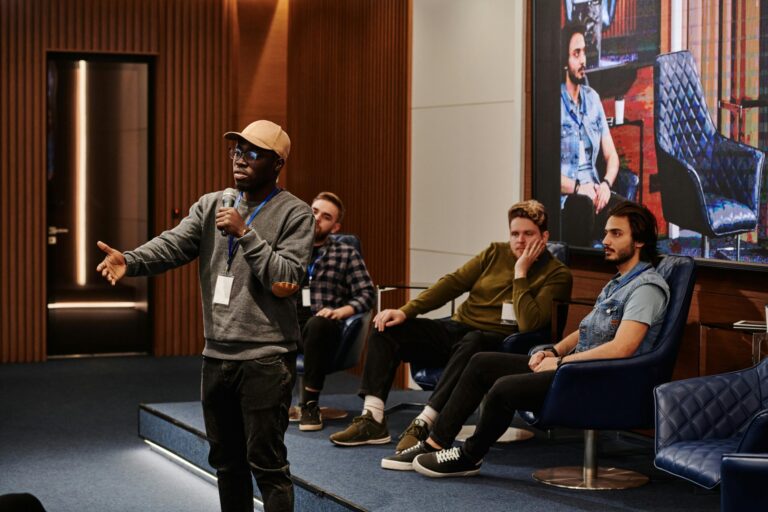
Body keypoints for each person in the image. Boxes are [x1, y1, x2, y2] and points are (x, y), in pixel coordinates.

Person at [95, 120, 314, 511]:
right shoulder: (213, 203)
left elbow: (287, 278)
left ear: (277, 163)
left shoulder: (295, 213)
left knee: (267, 465)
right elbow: (173, 244)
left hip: (265, 357)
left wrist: (246, 234)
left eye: (252, 153)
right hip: (216, 356)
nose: (240, 160)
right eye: (236, 151)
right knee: (226, 464)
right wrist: (130, 261)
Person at [385, 201, 669, 478]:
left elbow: (623, 348)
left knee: (504, 388)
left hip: (599, 377)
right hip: (575, 368)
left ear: (640, 241)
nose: (605, 240)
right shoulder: (618, 282)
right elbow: (585, 330)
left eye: (616, 234)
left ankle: (469, 456)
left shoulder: (647, 289)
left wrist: (560, 362)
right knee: (481, 362)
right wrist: (552, 350)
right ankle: (435, 443)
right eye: (606, 232)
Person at [329, 200, 573, 452]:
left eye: (528, 234)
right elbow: (453, 283)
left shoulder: (557, 274)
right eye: (514, 234)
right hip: (459, 328)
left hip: (500, 343)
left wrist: (520, 272)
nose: (520, 241)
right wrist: (404, 311)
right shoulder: (495, 252)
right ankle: (372, 418)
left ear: (544, 237)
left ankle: (425, 422)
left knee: (474, 342)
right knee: (387, 328)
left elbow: (529, 323)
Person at [296, 191, 375, 431]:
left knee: (318, 323)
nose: (317, 218)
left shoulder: (346, 253)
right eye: (314, 211)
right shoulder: (289, 248)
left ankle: (309, 405)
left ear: (335, 226)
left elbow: (367, 294)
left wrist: (341, 312)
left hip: (325, 324)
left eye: (326, 216)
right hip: (290, 322)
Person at [559, 22, 622, 247]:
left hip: (595, 192)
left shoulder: (593, 98)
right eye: (577, 53)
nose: (583, 60)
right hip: (569, 200)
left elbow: (612, 157)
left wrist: (605, 184)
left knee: (631, 216)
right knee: (582, 207)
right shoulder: (552, 104)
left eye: (584, 52)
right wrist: (578, 188)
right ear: (564, 61)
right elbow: (545, 172)